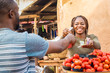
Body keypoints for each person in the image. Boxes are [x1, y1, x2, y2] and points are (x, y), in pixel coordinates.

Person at [0, 0, 76, 73]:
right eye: (17, 11)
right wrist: (69, 37)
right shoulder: (26, 40)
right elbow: (60, 46)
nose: (19, 15)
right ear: (11, 14)